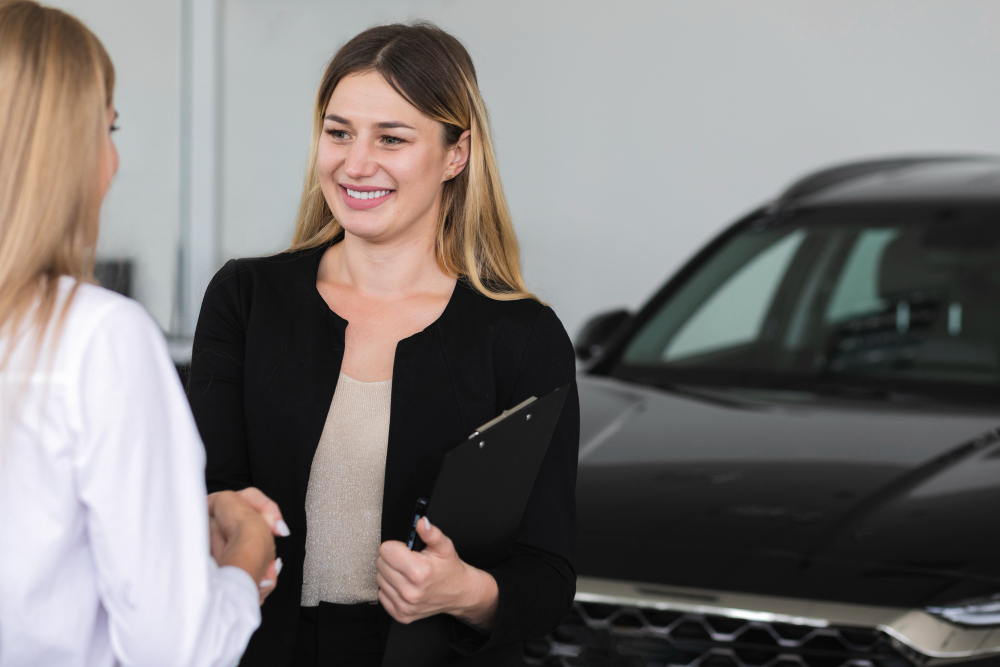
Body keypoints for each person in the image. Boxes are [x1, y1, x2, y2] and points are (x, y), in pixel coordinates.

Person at [188, 21, 580, 667]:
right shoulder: (245, 298)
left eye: (391, 138)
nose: (356, 162)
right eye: (339, 132)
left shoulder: (522, 337)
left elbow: (546, 575)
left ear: (457, 153)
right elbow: (206, 492)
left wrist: (468, 591)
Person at [0, 3, 286, 665]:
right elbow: (172, 650)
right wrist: (243, 560)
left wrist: (174, 516)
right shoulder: (98, 338)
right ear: (64, 149)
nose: (114, 158)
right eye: (109, 127)